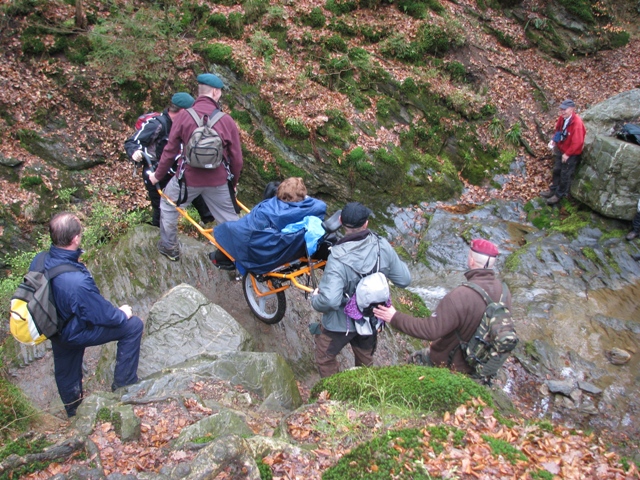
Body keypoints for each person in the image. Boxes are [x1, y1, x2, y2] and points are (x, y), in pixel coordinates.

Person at [37, 213, 144, 417]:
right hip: (74, 330)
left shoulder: (41, 259)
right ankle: (124, 385)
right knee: (133, 326)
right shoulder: (75, 282)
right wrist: (122, 314)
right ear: (75, 239)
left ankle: (74, 411)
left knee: (66, 370)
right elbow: (101, 315)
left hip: (53, 326)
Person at [373, 238, 511, 375]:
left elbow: (430, 330)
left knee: (414, 361)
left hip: (450, 364)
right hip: (479, 363)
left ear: (472, 261)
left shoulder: (461, 295)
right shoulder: (504, 292)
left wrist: (395, 317)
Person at [310, 202, 411, 377]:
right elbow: (404, 279)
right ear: (366, 223)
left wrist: (315, 299)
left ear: (340, 221)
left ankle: (333, 396)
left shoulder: (337, 257)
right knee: (365, 363)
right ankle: (364, 393)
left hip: (339, 324)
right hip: (370, 319)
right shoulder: (382, 246)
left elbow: (330, 301)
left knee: (325, 357)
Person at [148, 74, 243, 261]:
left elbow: (169, 151)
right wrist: (232, 183)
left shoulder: (184, 116)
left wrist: (157, 176)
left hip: (188, 179)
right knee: (230, 219)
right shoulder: (226, 120)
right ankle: (238, 256)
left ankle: (169, 248)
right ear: (215, 92)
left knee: (168, 206)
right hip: (218, 181)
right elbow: (237, 160)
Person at [124, 93, 214, 227]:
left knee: (195, 191)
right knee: (161, 208)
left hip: (175, 168)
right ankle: (157, 235)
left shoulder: (183, 125)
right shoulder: (156, 125)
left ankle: (211, 221)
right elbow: (132, 141)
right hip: (155, 172)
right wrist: (135, 152)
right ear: (183, 111)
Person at [212, 177, 326, 273]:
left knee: (229, 229)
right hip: (291, 249)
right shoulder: (316, 208)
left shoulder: (269, 210)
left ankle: (221, 258)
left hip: (265, 251)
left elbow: (249, 229)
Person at [541, 99, 586, 205]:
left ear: (572, 110)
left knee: (565, 174)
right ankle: (553, 190)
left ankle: (559, 195)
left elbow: (578, 142)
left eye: (564, 110)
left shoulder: (577, 123)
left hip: (571, 153)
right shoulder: (562, 118)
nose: (562, 112)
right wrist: (554, 140)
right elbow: (558, 130)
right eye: (561, 109)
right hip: (562, 149)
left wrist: (567, 154)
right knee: (557, 170)